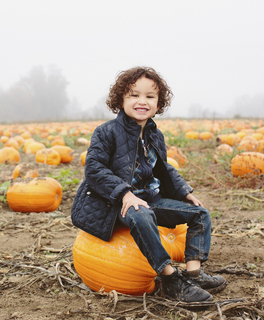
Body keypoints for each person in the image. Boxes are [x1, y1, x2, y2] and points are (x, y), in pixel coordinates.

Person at [71, 66, 226, 302]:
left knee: (199, 214)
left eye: (149, 96)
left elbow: (164, 168)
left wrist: (185, 193)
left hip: (149, 198)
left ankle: (194, 273)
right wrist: (124, 194)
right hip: (114, 204)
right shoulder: (106, 133)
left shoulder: (155, 135)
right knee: (141, 215)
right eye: (134, 95)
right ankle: (171, 279)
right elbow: (94, 169)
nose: (141, 101)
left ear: (158, 103)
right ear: (120, 98)